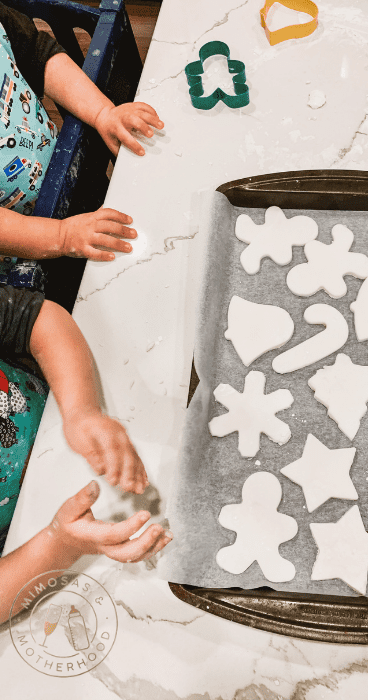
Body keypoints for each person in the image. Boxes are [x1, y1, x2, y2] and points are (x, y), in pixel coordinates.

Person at [0, 285, 173, 624]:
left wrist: (81, 408)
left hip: (61, 410)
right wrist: (60, 542)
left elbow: (38, 320)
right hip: (28, 538)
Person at [0, 1, 163, 285]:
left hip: (59, 173)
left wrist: (103, 112)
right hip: (25, 257)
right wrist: (62, 236)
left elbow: (39, 54)